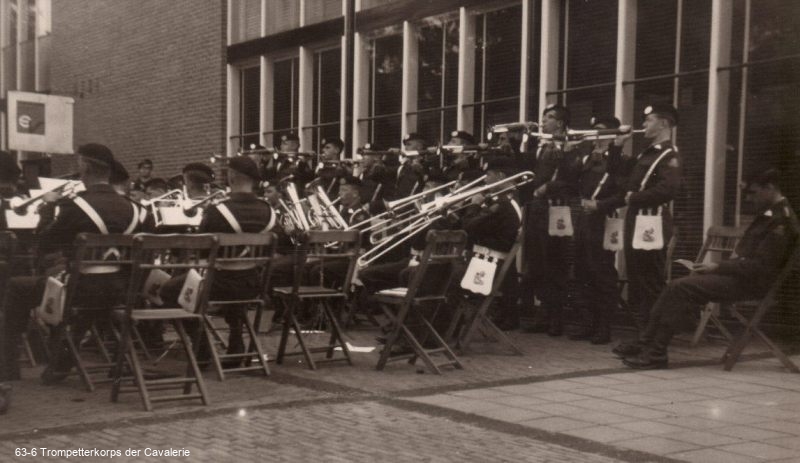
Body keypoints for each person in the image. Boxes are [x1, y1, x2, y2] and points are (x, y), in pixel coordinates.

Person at [621, 170, 798, 369]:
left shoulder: (781, 221)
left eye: (753, 193)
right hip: (741, 278)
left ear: (770, 188)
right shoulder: (770, 215)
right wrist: (718, 268)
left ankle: (656, 354)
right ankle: (646, 344)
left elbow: (759, 266)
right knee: (674, 287)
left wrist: (717, 267)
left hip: (752, 284)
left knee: (681, 288)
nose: (749, 199)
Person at [0, 143, 143, 384]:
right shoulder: (136, 210)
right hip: (121, 292)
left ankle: (8, 369)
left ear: (85, 166)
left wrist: (48, 207)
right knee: (75, 283)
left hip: (80, 291)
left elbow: (44, 244)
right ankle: (59, 361)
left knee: (17, 286)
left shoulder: (76, 205)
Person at [158, 156, 274, 367]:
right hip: (253, 285)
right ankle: (236, 341)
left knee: (168, 290)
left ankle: (202, 347)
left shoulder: (217, 211)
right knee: (233, 278)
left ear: (231, 176)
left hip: (218, 285)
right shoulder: (269, 211)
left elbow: (201, 252)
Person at [609, 104, 682, 355]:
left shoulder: (669, 154)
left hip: (652, 221)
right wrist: (617, 147)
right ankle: (643, 338)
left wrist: (634, 198)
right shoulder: (646, 154)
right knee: (638, 282)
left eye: (649, 120)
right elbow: (618, 176)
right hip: (637, 220)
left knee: (651, 283)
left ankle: (654, 342)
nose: (643, 125)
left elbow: (668, 189)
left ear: (664, 123)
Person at [523, 104, 582, 336]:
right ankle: (543, 314)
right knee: (538, 262)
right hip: (538, 209)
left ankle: (556, 318)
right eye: (544, 116)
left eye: (549, 117)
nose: (544, 121)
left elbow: (573, 180)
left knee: (555, 263)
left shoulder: (571, 146)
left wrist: (550, 186)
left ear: (560, 123)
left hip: (557, 208)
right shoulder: (542, 146)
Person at [570, 116, 627, 344]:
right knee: (582, 271)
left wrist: (600, 205)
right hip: (584, 220)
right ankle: (588, 323)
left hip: (603, 219)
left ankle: (604, 327)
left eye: (602, 132)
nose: (597, 136)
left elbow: (623, 195)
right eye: (595, 132)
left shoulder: (620, 160)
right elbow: (570, 183)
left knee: (601, 272)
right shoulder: (586, 159)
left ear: (612, 135)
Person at [461, 157, 523, 330]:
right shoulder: (503, 200)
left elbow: (469, 227)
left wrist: (474, 206)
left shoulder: (501, 204)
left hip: (488, 266)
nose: (485, 180)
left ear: (500, 176)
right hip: (488, 262)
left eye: (488, 175)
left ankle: (446, 327)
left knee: (441, 278)